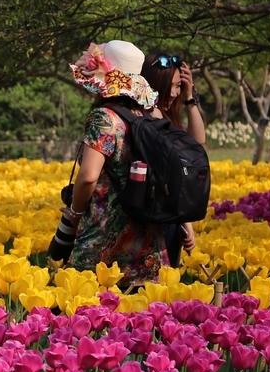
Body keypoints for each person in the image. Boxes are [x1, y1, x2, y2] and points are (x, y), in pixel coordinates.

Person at [61, 40, 168, 287]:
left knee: (86, 312)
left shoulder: (105, 118)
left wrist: (75, 214)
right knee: (138, 319)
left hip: (102, 236)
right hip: (145, 241)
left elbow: (88, 176)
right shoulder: (150, 117)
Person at [141, 54, 206, 267]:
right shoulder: (147, 119)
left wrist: (189, 97)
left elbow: (197, 145)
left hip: (171, 220)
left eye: (177, 86)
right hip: (151, 222)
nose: (172, 93)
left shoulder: (170, 121)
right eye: (165, 86)